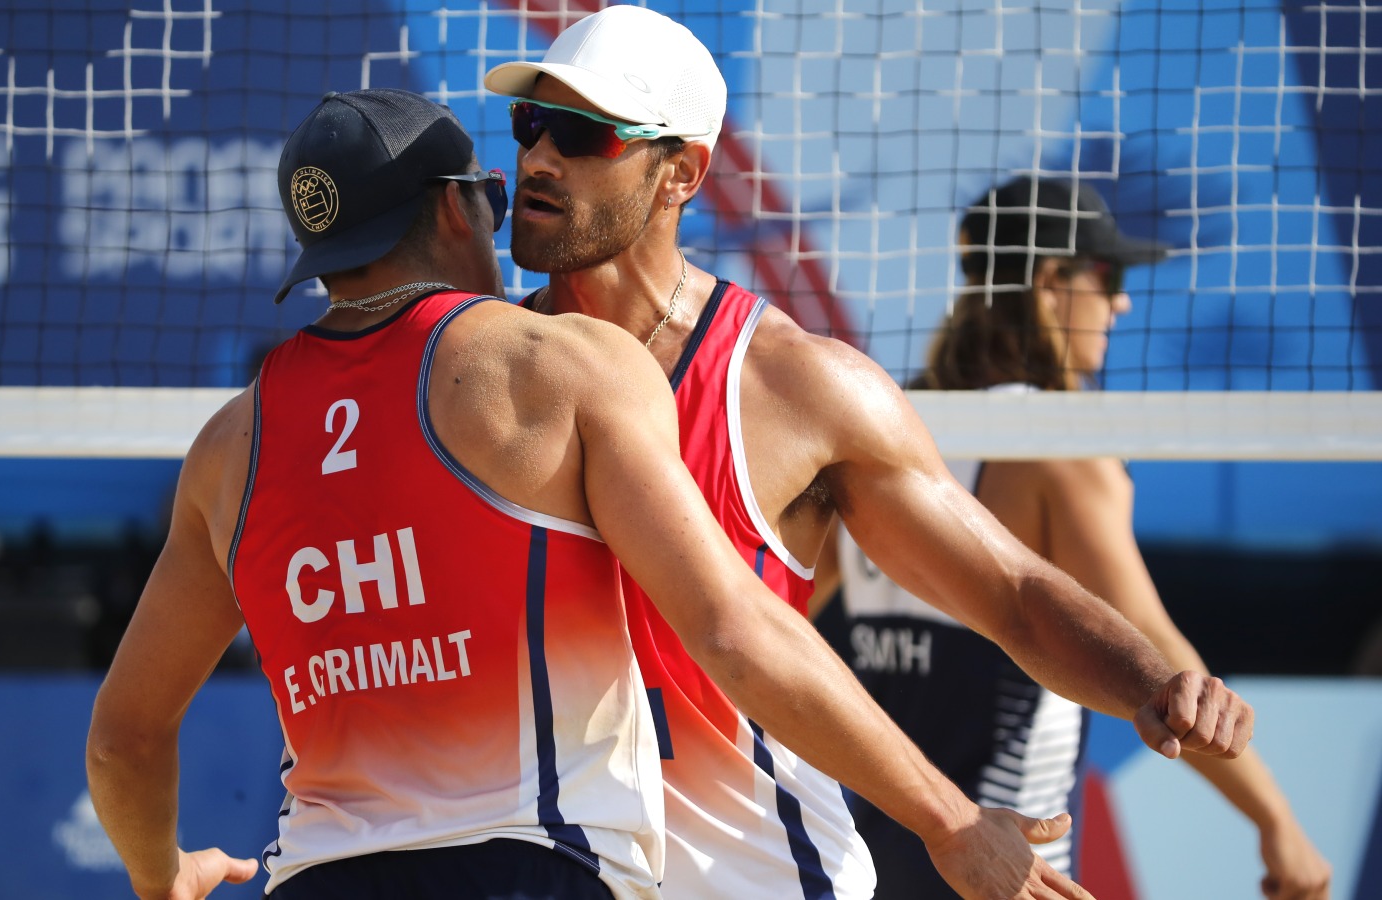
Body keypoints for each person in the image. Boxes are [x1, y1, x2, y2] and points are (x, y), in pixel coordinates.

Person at [85, 89, 1101, 900]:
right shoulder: (559, 366)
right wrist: (949, 821)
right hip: (531, 867)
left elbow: (124, 737)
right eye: (493, 178)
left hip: (314, 876)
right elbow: (733, 630)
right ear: (454, 206)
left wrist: (157, 876)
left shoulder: (231, 446)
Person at [484, 7, 1255, 899]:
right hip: (550, 866)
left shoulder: (790, 386)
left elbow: (1010, 593)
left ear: (682, 174)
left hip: (750, 872)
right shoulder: (478, 367)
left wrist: (1157, 686)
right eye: (531, 124)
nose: (539, 159)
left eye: (583, 133)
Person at [811, 175, 1331, 899]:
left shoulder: (883, 434)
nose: (1120, 302)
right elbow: (1154, 656)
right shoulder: (1059, 454)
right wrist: (1278, 821)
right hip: (1010, 865)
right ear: (1052, 280)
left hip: (874, 864)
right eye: (1107, 275)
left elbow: (778, 614)